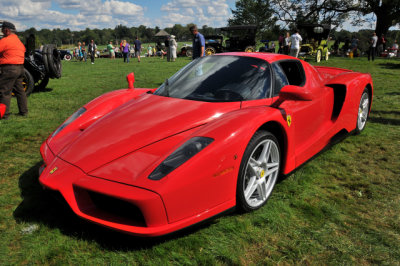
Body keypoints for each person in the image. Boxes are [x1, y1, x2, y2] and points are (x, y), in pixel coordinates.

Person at [0, 21, 28, 119]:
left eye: (2, 30)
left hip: (9, 69)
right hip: (20, 68)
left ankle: (4, 114)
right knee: (20, 91)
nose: (2, 32)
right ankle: (24, 111)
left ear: (7, 30)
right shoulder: (18, 41)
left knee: (5, 92)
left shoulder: (5, 40)